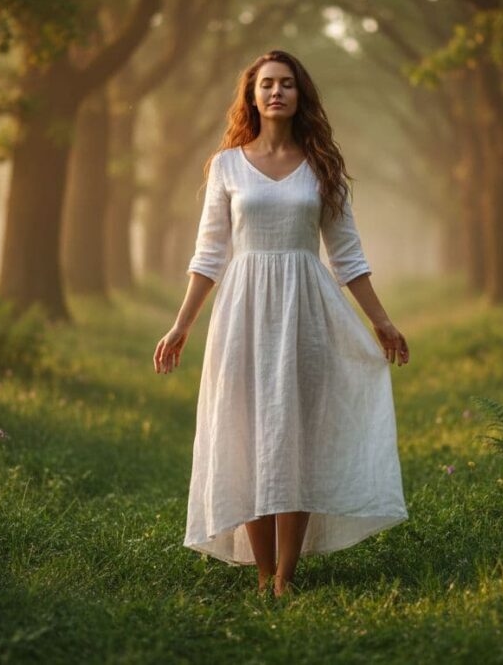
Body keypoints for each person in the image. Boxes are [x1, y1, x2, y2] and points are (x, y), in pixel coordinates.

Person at [153, 50, 409, 598]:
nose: (276, 92)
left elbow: (347, 255)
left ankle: (285, 578)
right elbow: (209, 255)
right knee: (246, 437)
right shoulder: (226, 166)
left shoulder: (321, 167)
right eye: (266, 84)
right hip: (243, 312)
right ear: (251, 95)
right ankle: (262, 569)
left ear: (299, 95)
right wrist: (181, 327)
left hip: (306, 313)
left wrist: (381, 322)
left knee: (294, 438)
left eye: (287, 84)